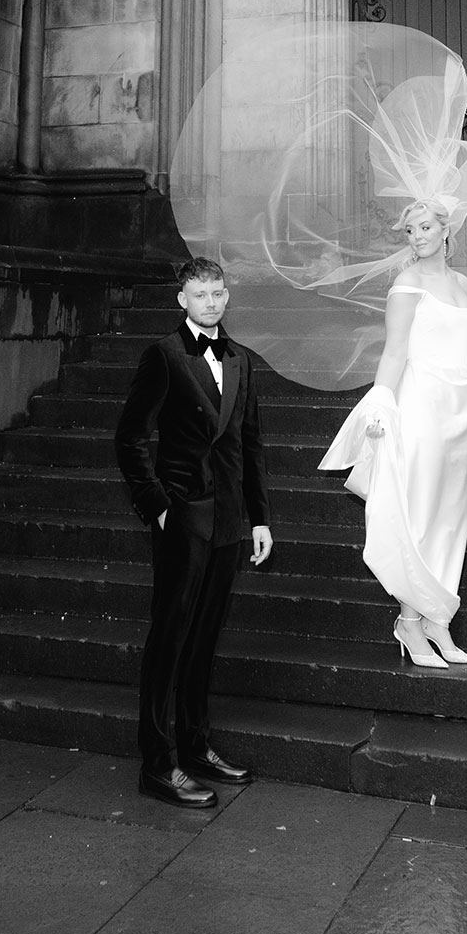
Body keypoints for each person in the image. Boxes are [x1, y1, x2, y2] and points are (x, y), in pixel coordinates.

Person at [115, 256, 274, 807]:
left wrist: (260, 518)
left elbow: (249, 446)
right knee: (170, 641)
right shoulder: (163, 356)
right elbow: (130, 437)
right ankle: (158, 765)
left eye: (219, 293)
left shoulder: (240, 359)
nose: (211, 302)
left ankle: (197, 746)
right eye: (201, 294)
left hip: (229, 521)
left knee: (204, 641)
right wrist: (157, 505)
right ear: (182, 299)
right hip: (182, 517)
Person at [319, 196, 467, 667]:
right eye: (410, 231)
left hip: (460, 409)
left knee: (451, 517)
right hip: (420, 406)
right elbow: (394, 352)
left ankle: (438, 622)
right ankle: (410, 623)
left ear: (445, 229)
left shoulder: (464, 283)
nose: (418, 237)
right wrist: (380, 405)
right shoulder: (407, 283)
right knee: (421, 515)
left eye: (426, 227)